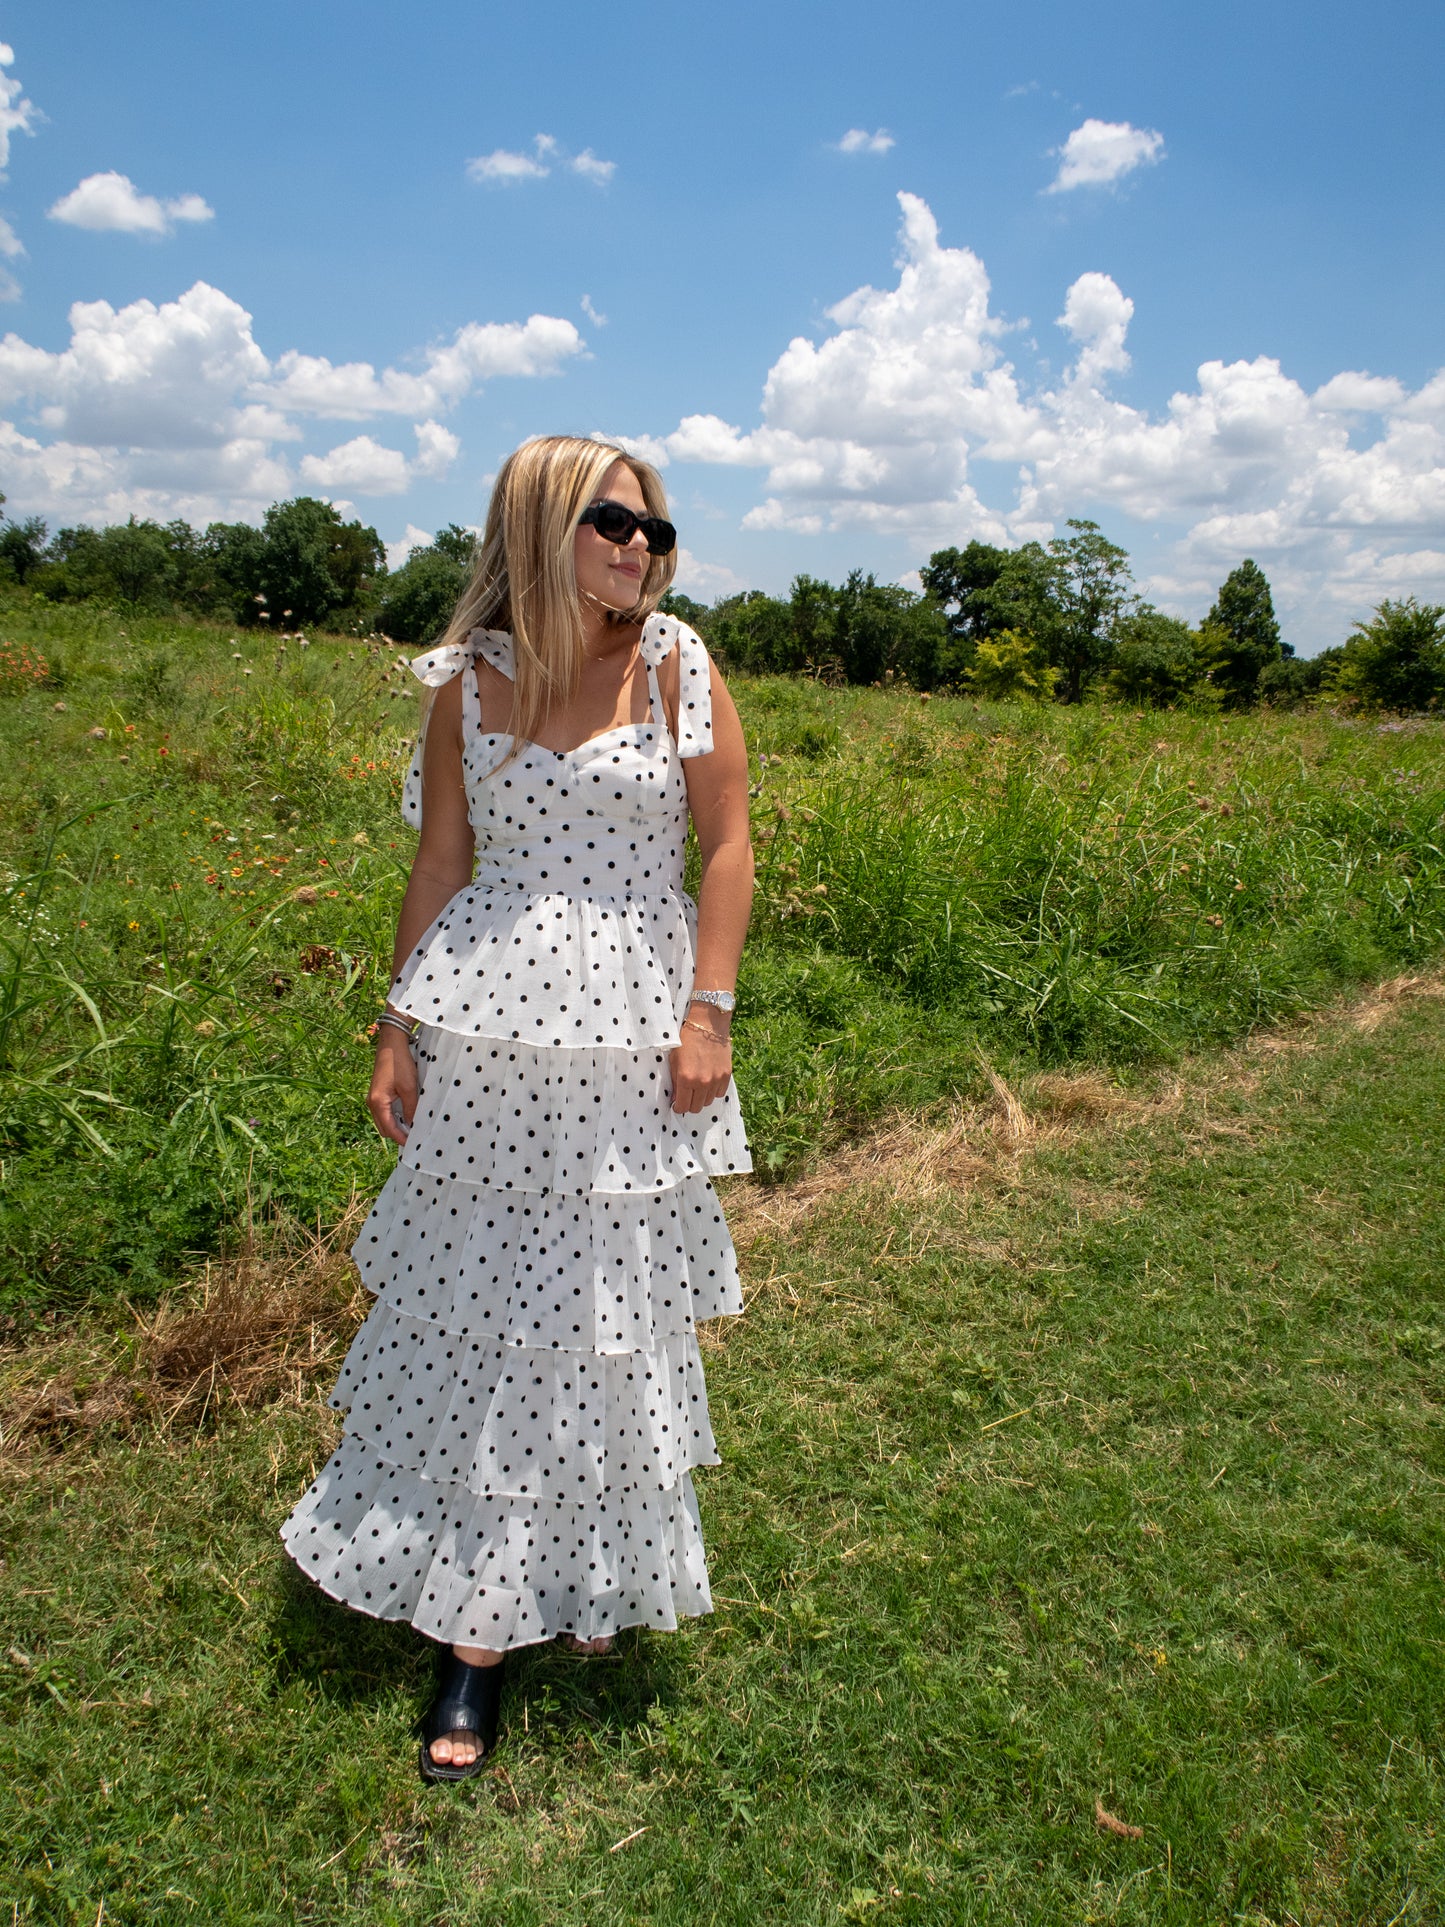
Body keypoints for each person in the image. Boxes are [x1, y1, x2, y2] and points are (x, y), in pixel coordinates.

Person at [280, 436, 754, 1781]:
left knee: (602, 1316)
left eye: (656, 532)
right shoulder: (466, 688)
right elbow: (441, 859)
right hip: (491, 1020)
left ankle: (580, 1572)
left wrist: (707, 1007)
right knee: (488, 1306)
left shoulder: (680, 664)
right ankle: (475, 1630)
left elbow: (726, 845)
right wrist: (396, 1024)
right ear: (542, 526)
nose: (639, 551)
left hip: (630, 1027)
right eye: (614, 523)